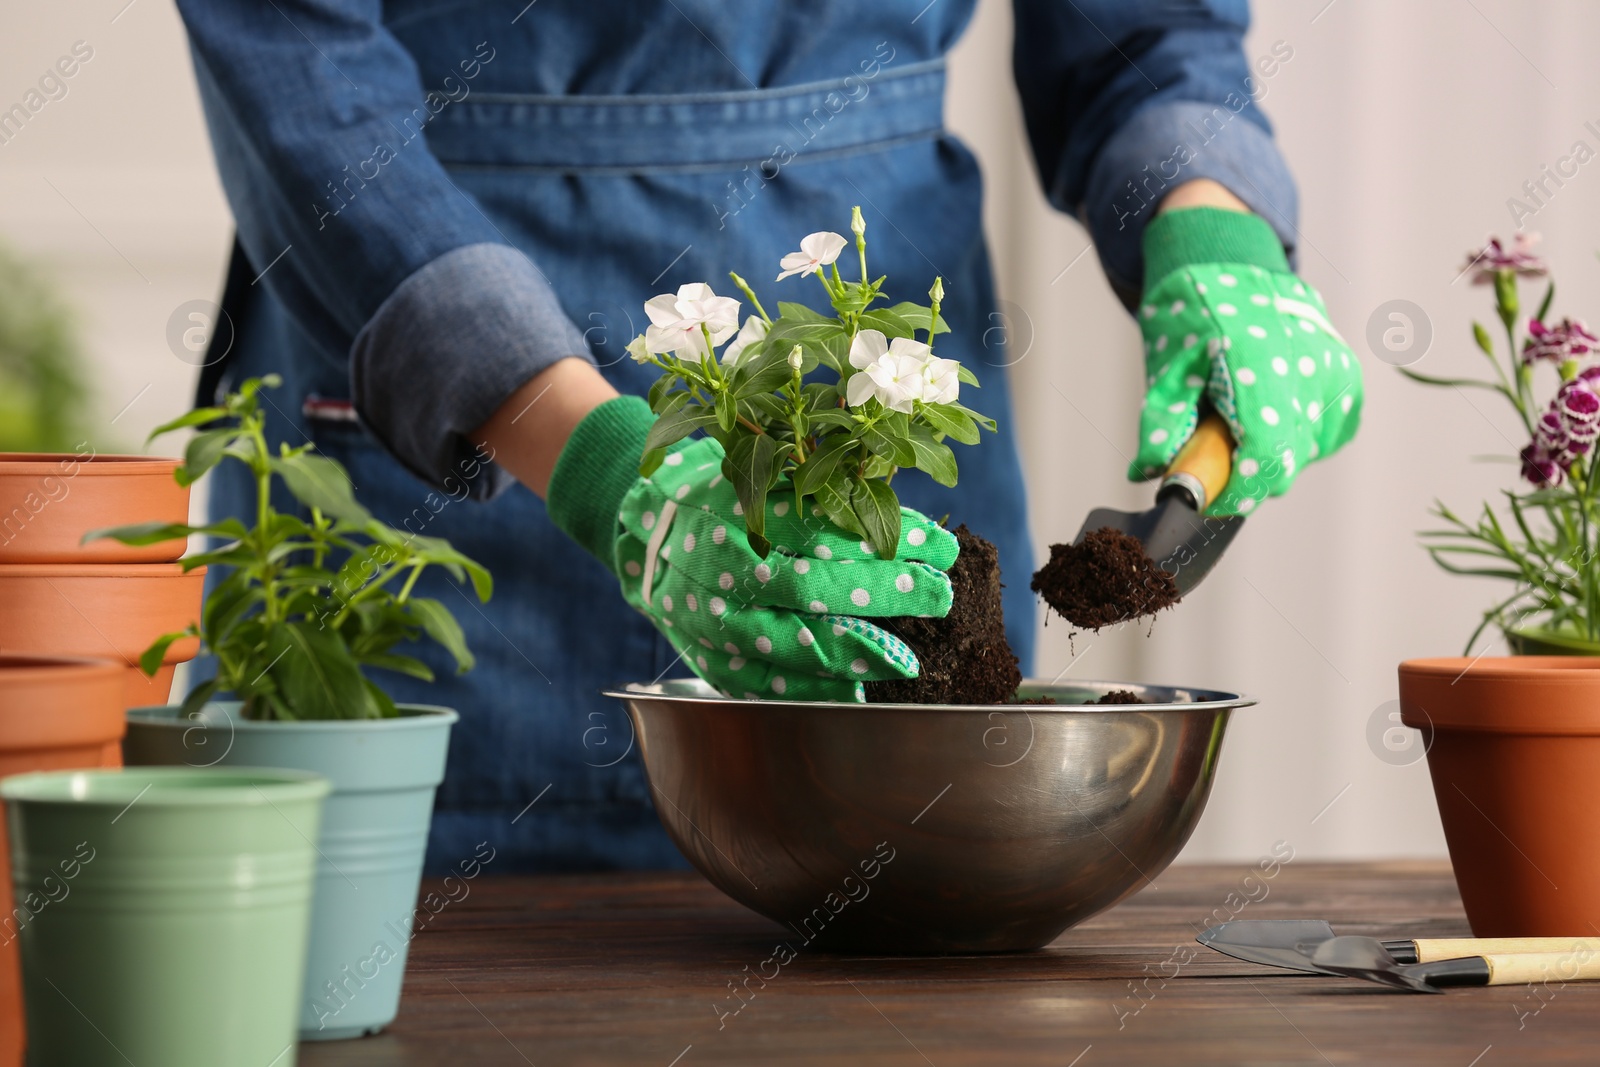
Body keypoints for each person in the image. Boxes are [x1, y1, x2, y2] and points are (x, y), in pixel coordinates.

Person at [175, 0, 1362, 872]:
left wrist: (1217, 233)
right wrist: (593, 460)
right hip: (427, 330)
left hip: (867, 357)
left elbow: (1142, 36)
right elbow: (294, 65)